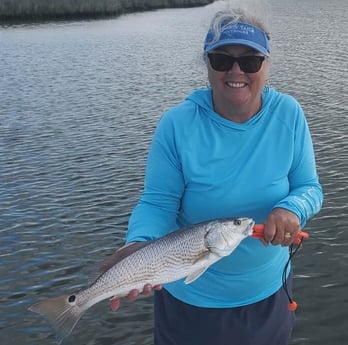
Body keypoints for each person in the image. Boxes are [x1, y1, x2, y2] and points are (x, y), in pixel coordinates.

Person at [109, 8, 323, 345]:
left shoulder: (289, 114)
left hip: (268, 294)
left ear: (266, 66)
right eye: (222, 60)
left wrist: (292, 209)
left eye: (250, 61)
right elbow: (157, 201)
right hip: (189, 304)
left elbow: (309, 187)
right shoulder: (177, 124)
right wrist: (139, 245)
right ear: (207, 65)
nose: (236, 71)